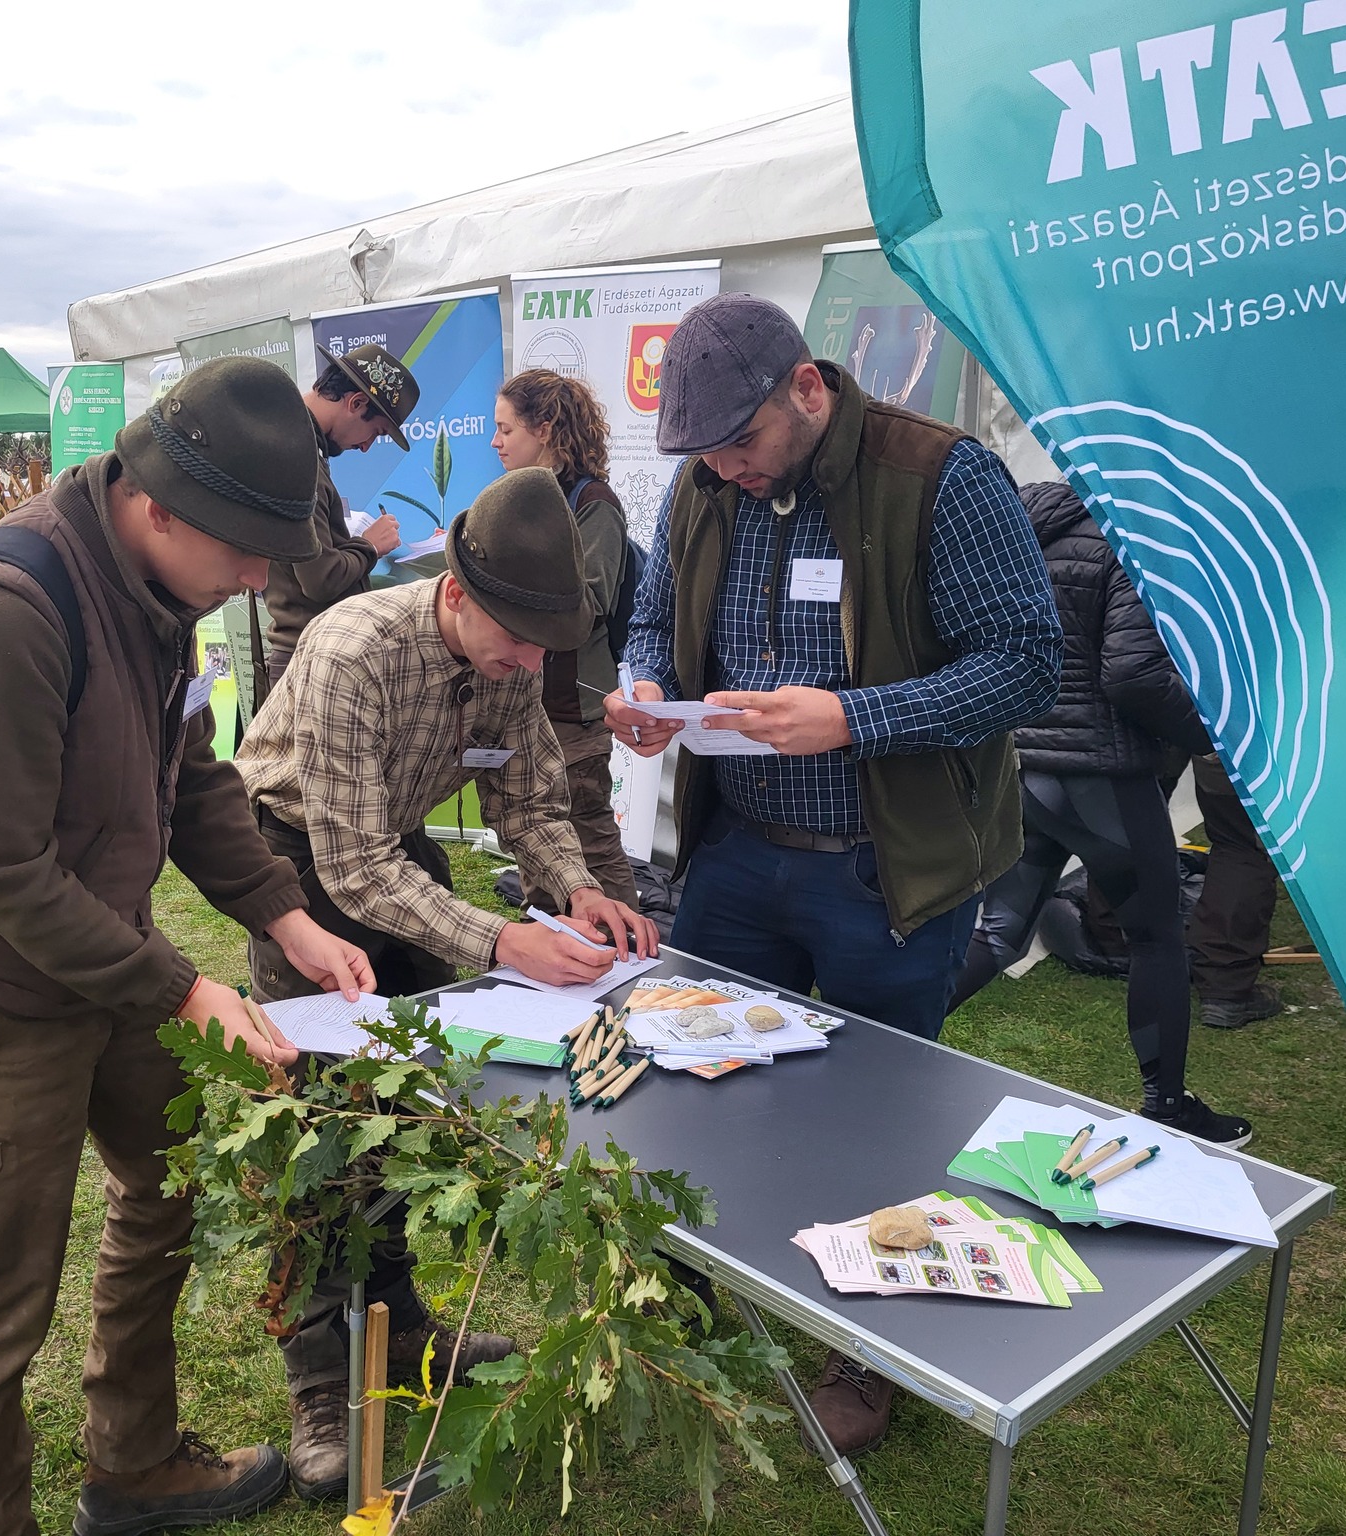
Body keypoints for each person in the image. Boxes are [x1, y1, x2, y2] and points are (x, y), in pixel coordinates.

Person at [0, 356, 378, 1535]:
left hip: (101, 955)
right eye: (242, 550)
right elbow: (3, 875)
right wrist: (184, 987)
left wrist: (282, 912)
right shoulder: (1, 612)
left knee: (169, 1184)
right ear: (156, 507)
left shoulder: (158, 594)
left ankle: (134, 1463)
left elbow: (193, 775)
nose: (256, 578)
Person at [601, 294, 1060, 1458]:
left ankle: (864, 1347)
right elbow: (651, 620)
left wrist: (852, 719)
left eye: (741, 445)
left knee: (877, 1115)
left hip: (880, 868)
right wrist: (649, 691)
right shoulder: (708, 481)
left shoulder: (940, 478)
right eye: (704, 456)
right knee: (694, 1073)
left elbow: (1024, 668)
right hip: (735, 854)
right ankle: (685, 1294)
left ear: (807, 388)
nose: (726, 473)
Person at [236, 466, 658, 1499]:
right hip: (293, 858)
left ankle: (402, 1323)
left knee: (412, 1104)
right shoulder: (349, 650)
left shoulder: (511, 651)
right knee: (320, 1119)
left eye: (542, 645)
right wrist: (503, 944)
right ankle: (319, 1383)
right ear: (456, 594)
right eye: (514, 638)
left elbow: (532, 807)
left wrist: (575, 894)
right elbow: (349, 871)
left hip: (393, 845)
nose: (526, 664)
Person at [947, 482, 1251, 1145]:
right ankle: (1168, 1104)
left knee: (996, 932)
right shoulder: (1128, 542)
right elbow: (1134, 673)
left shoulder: (1019, 523)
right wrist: (1209, 734)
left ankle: (885, 1048)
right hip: (1102, 776)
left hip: (1023, 763)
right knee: (1157, 940)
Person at [491, 368, 638, 910]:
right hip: (522, 703)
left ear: (546, 428)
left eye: (506, 429)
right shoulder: (516, 498)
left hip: (571, 710)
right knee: (534, 845)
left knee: (589, 843)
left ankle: (629, 966)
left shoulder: (593, 503)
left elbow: (589, 604)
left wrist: (509, 593)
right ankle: (548, 967)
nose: (495, 441)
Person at [253, 343, 414, 692]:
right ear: (355, 403)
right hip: (307, 659)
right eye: (376, 432)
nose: (368, 446)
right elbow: (320, 579)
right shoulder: (299, 455)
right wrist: (369, 545)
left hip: (306, 654)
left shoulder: (297, 443)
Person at [1188, 754, 1284, 1029]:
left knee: (1232, 841)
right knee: (1244, 846)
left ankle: (1117, 942)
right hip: (1242, 735)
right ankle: (1225, 987)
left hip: (1204, 732)